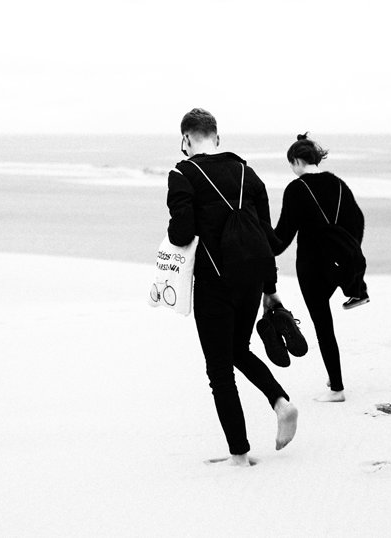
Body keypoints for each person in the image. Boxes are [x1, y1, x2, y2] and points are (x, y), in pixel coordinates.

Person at [166, 108, 298, 466]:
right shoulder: (246, 172)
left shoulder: (183, 173)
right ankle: (281, 403)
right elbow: (265, 238)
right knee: (238, 349)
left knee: (219, 369)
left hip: (215, 282)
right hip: (253, 280)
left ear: (187, 139)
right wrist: (270, 289)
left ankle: (240, 455)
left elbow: (181, 233)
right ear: (218, 138)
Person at [266, 133, 369, 403]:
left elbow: (281, 239)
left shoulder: (296, 189)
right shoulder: (338, 184)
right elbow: (357, 221)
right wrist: (346, 254)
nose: (292, 169)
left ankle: (337, 388)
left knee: (324, 325)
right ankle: (334, 378)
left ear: (298, 160)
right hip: (339, 265)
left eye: (292, 164)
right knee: (326, 325)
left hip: (312, 268)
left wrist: (260, 232)